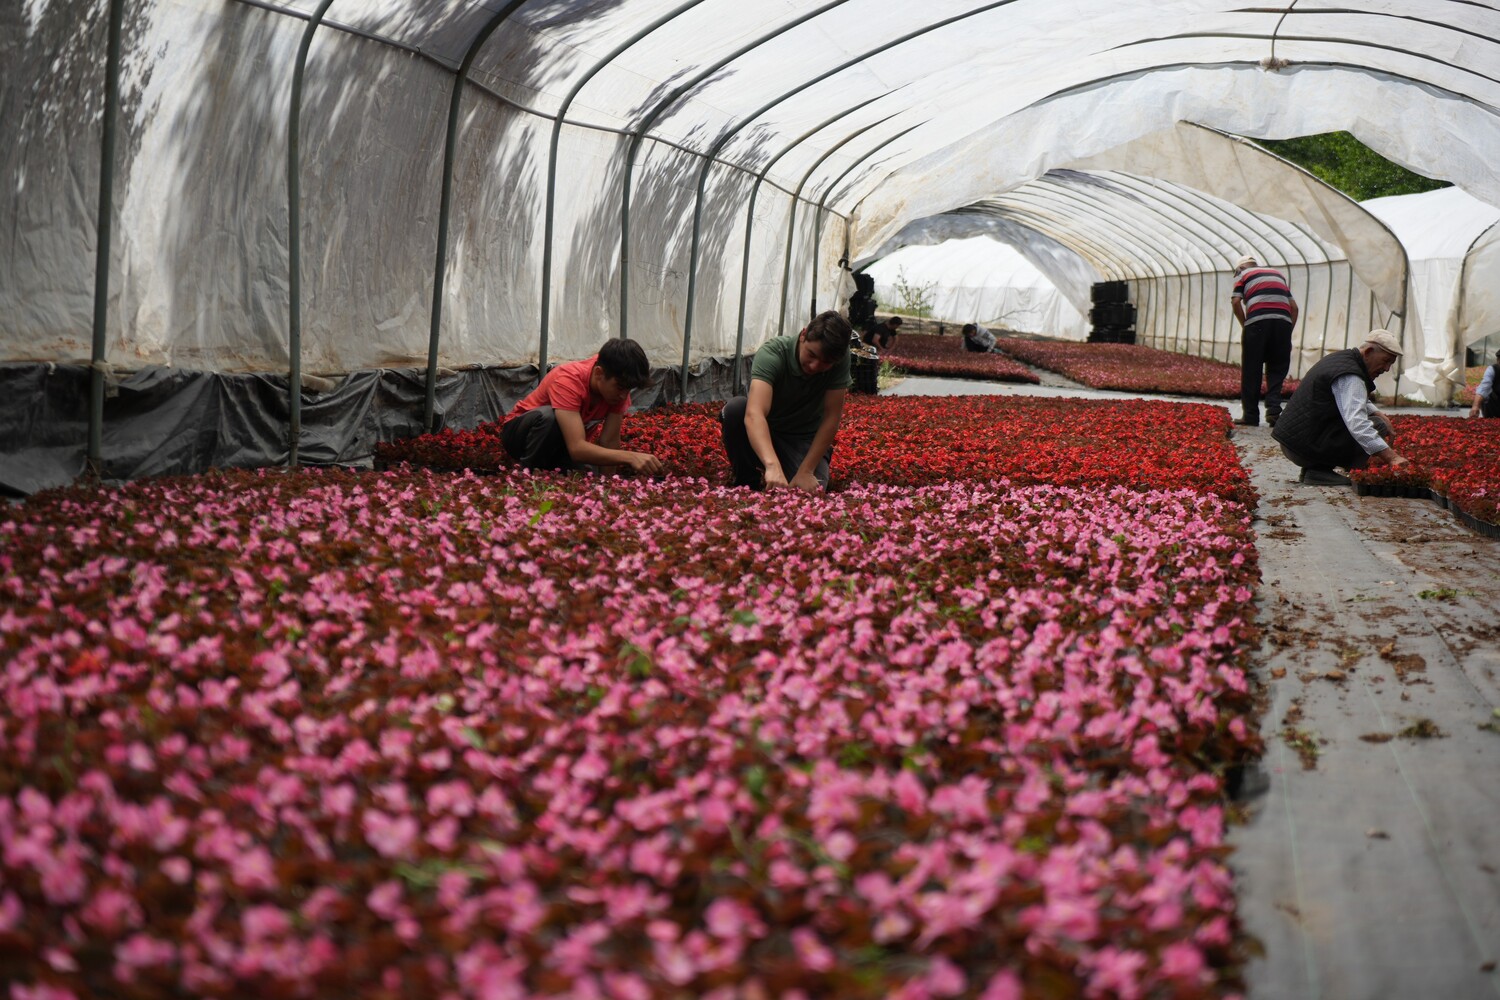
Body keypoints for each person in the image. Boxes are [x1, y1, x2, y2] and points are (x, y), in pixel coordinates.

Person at [721, 310, 853, 493]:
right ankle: (746, 479)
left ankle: (804, 466)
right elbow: (755, 414)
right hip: (766, 434)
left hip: (803, 439)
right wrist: (772, 464)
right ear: (804, 335)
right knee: (736, 409)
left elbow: (831, 417)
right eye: (812, 355)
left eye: (826, 363)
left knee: (810, 491)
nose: (815, 366)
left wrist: (806, 471)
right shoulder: (773, 353)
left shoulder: (841, 358)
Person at [500, 338, 664, 475]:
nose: (624, 395)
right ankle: (526, 473)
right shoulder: (568, 380)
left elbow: (610, 441)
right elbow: (577, 448)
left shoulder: (617, 386)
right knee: (549, 417)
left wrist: (610, 487)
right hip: (519, 436)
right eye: (621, 387)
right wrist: (630, 457)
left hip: (561, 444)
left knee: (587, 473)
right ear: (599, 374)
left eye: (629, 389)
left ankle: (548, 468)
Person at [1272, 329, 1408, 486]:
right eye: (1386, 361)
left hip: (1294, 443)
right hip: (1303, 449)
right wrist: (1393, 457)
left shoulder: (1342, 360)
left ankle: (1315, 470)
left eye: (1391, 363)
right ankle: (1319, 471)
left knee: (1377, 420)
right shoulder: (1350, 375)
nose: (1386, 369)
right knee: (1376, 425)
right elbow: (1357, 422)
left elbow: (1351, 395)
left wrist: (1377, 412)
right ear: (1369, 352)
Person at [1231, 254, 1298, 428]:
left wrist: (1246, 324)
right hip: (1282, 323)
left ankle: (1251, 416)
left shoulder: (1243, 275)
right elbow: (1294, 308)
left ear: (1240, 268)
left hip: (1257, 323)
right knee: (1277, 368)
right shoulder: (1277, 274)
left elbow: (1236, 301)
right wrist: (1286, 331)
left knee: (1252, 369)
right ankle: (1274, 412)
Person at [1468, 347, 1500, 418]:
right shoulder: (1492, 370)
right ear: (1498, 361)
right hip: (1495, 406)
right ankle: (1491, 418)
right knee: (1488, 394)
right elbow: (1484, 387)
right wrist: (1475, 406)